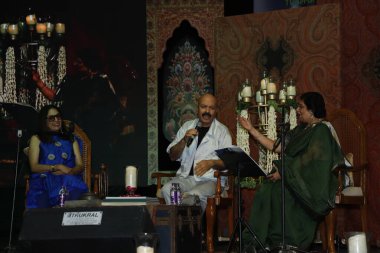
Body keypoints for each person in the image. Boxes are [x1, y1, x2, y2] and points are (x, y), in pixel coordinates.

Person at [238, 92, 345, 251]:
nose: (298, 110)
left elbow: (312, 161)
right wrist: (251, 129)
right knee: (266, 189)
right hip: (295, 178)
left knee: (280, 193)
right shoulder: (301, 130)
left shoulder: (322, 130)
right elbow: (278, 146)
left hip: (312, 185)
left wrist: (283, 172)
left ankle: (290, 244)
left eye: (301, 107)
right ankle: (261, 243)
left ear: (312, 110)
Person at [161, 93, 232, 213]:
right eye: (204, 107)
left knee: (194, 195)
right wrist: (183, 140)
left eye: (211, 108)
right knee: (168, 189)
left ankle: (192, 229)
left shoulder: (222, 132)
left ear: (216, 111)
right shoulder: (186, 127)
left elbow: (228, 162)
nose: (207, 111)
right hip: (186, 179)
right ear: (197, 109)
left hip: (210, 180)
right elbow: (173, 156)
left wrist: (211, 163)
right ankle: (179, 226)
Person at [26, 105, 88, 208]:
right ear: (44, 121)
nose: (56, 120)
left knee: (71, 182)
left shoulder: (70, 139)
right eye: (52, 118)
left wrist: (70, 171)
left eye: (58, 117)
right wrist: (56, 167)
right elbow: (34, 166)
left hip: (68, 179)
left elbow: (80, 166)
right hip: (44, 180)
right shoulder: (36, 138)